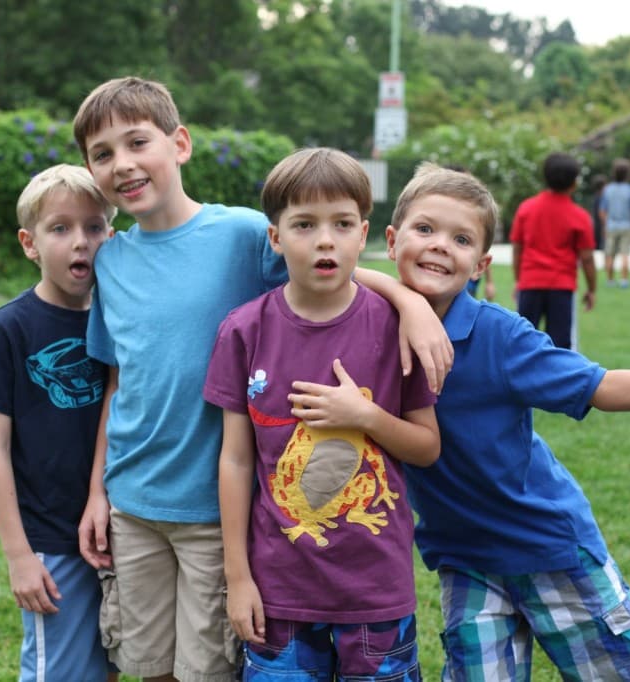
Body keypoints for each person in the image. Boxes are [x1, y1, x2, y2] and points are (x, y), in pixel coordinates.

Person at [293, 163, 630, 681]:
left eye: (461, 238)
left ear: (482, 263)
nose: (441, 245)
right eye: (425, 230)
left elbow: (598, 386)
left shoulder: (500, 336)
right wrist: (404, 300)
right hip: (465, 560)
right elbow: (287, 255)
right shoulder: (365, 320)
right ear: (392, 240)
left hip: (548, 547)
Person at [71, 77, 450, 682]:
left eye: (136, 142)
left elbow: (331, 262)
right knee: (149, 666)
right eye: (102, 154)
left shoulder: (243, 233)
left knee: (207, 667)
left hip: (213, 509)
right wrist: (98, 491)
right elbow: (119, 384)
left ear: (180, 144)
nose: (122, 164)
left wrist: (412, 303)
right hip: (133, 500)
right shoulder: (111, 260)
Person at [203, 147, 440, 680]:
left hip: (376, 591)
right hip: (278, 593)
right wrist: (237, 578)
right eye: (304, 224)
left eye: (341, 223)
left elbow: (428, 447)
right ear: (276, 237)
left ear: (365, 234)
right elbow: (236, 462)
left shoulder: (394, 326)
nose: (325, 239)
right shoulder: (244, 331)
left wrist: (365, 417)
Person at [0, 164, 118, 681]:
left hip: (121, 531)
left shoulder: (119, 315)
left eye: (94, 227)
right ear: (30, 242)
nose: (80, 243)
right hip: (51, 539)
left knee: (110, 662)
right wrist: (19, 556)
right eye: (60, 228)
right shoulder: (10, 328)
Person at [510, 152, 597, 351]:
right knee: (561, 346)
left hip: (530, 282)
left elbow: (517, 249)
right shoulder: (579, 216)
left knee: (522, 340)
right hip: (562, 286)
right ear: (574, 183)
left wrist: (518, 280)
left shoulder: (526, 209)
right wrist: (591, 289)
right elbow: (587, 258)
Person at [599, 158, 630, 288]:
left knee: (610, 254)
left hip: (611, 226)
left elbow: (602, 211)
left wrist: (605, 224)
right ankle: (624, 280)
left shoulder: (607, 190)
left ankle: (610, 280)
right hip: (627, 226)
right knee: (625, 254)